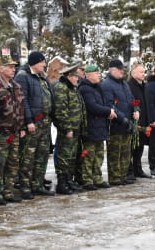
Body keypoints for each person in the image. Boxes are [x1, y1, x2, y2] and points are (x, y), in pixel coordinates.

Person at [15, 52, 55, 199]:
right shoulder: (23, 76)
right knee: (28, 157)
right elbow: (22, 101)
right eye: (42, 62)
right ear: (34, 63)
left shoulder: (42, 76)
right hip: (33, 124)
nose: (44, 65)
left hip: (45, 123)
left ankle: (37, 185)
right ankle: (25, 188)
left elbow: (50, 96)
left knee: (42, 156)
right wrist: (28, 121)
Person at [0, 56, 25, 205]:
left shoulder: (16, 85)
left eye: (14, 67)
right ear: (1, 69)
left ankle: (8, 191)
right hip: (1, 132)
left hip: (14, 132)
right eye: (9, 67)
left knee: (13, 162)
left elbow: (20, 108)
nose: (13, 69)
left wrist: (21, 127)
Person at [101, 59, 138, 186]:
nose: (123, 71)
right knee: (115, 153)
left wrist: (136, 109)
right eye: (120, 69)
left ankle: (123, 176)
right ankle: (115, 178)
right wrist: (122, 118)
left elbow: (132, 100)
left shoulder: (124, 84)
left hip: (127, 124)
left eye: (123, 69)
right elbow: (110, 105)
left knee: (125, 153)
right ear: (112, 70)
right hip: (115, 125)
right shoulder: (107, 84)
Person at [78, 64, 114, 190]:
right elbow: (92, 106)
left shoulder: (97, 87)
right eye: (96, 72)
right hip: (90, 126)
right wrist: (108, 111)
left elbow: (102, 104)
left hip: (100, 126)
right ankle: (87, 180)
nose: (99, 74)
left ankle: (97, 178)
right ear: (88, 75)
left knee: (99, 155)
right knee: (89, 155)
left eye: (99, 72)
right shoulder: (85, 89)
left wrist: (108, 111)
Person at [53, 64, 86, 194]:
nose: (77, 79)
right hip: (67, 129)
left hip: (75, 128)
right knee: (64, 157)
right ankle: (62, 183)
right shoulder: (61, 88)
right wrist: (67, 128)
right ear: (68, 76)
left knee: (72, 157)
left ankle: (69, 181)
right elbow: (61, 110)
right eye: (75, 76)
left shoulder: (72, 88)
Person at [127, 63, 152, 178]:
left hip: (143, 120)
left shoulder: (144, 85)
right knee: (133, 147)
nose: (144, 74)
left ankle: (138, 169)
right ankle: (130, 170)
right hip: (134, 120)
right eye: (141, 72)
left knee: (140, 146)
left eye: (144, 72)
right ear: (133, 73)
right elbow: (130, 102)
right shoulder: (129, 85)